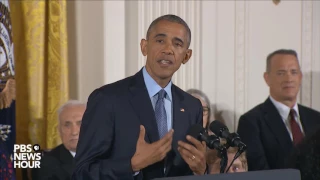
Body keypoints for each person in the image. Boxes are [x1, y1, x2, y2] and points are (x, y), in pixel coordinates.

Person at [72, 14, 207, 180]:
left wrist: (200, 170)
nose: (168, 49)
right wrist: (132, 165)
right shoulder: (108, 99)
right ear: (144, 46)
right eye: (160, 41)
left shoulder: (192, 106)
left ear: (186, 56)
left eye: (177, 44)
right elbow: (82, 173)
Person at [237, 49, 320, 171]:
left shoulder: (316, 118)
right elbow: (258, 171)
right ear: (267, 78)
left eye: (294, 72)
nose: (289, 78)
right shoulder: (251, 122)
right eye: (281, 73)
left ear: (300, 77)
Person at [32, 100, 86, 180]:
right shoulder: (45, 165)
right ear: (59, 130)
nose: (74, 132)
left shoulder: (107, 156)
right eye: (67, 125)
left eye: (80, 123)